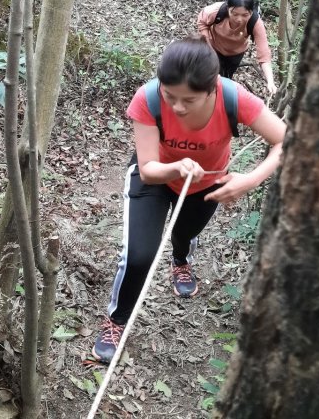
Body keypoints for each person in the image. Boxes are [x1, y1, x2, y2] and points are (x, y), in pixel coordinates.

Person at [92, 36, 286, 363]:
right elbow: (149, 169)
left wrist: (249, 180)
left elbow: (285, 140)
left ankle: (181, 260)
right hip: (154, 178)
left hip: (207, 184)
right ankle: (117, 319)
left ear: (211, 89)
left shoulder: (234, 97)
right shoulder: (149, 98)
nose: (177, 107)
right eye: (171, 97)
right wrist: (176, 166)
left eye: (189, 100)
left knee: (185, 234)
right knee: (139, 256)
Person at [197, 0, 277, 94]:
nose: (239, 19)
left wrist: (270, 81)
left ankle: (222, 95)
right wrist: (207, 46)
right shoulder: (215, 11)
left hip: (236, 53)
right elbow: (202, 22)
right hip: (214, 47)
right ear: (227, 8)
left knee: (226, 78)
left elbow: (264, 52)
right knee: (211, 76)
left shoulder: (255, 22)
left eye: (245, 15)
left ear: (251, 12)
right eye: (234, 14)